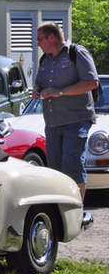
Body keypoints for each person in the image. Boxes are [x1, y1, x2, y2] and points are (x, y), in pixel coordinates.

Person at [34, 21, 99, 201]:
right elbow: (41, 83)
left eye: (40, 39)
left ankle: (76, 213)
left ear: (52, 37)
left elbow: (91, 83)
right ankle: (61, 214)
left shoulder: (77, 53)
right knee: (55, 170)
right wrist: (37, 90)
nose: (37, 43)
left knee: (72, 167)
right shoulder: (44, 59)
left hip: (76, 120)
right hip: (53, 123)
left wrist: (60, 92)